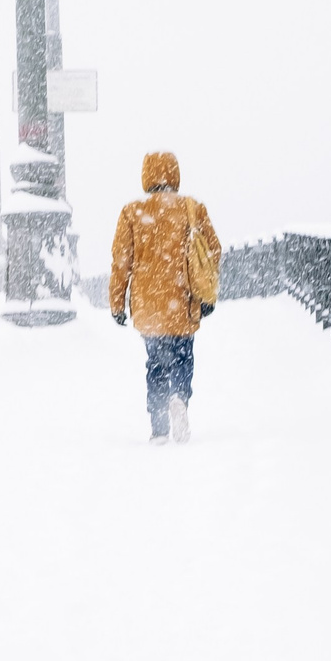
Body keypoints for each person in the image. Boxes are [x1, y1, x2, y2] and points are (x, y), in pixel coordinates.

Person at [108, 151, 220, 445]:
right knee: (183, 357)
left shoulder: (132, 212)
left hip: (149, 306)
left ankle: (159, 429)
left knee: (156, 364)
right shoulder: (192, 208)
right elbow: (212, 250)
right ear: (175, 174)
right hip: (183, 300)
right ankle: (179, 397)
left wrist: (117, 303)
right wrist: (207, 295)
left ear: (146, 176)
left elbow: (121, 262)